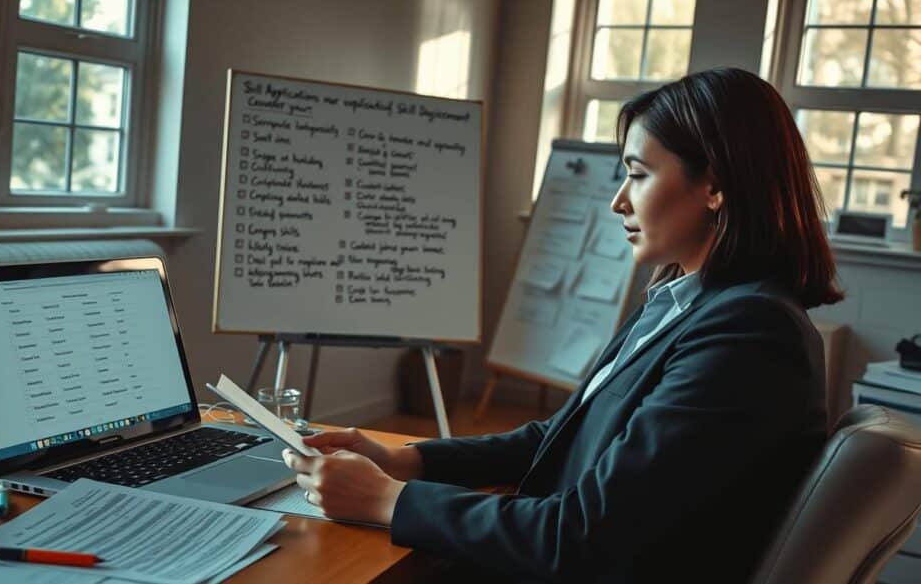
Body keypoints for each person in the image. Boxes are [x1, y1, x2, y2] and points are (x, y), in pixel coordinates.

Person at [282, 67, 843, 583]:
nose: (618, 202)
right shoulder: (688, 302)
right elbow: (563, 438)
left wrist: (388, 501)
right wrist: (410, 460)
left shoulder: (749, 334)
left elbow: (586, 536)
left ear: (715, 187)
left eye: (639, 175)